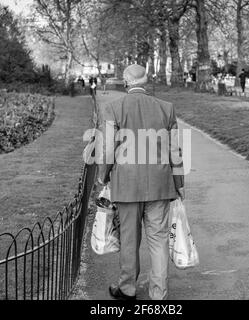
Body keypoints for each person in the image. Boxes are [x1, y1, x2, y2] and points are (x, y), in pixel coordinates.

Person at [96, 64, 185, 301]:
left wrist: (103, 177)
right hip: (160, 185)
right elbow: (175, 150)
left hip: (126, 186)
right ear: (145, 82)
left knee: (129, 239)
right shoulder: (166, 108)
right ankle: (159, 294)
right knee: (158, 240)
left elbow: (107, 150)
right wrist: (179, 183)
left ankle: (127, 289)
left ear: (126, 82)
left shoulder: (113, 108)